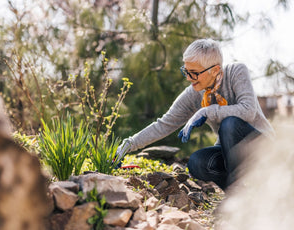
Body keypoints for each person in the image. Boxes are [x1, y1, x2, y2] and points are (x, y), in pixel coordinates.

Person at [115, 38, 274, 191]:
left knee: (229, 123)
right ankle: (240, 198)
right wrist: (128, 144)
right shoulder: (193, 94)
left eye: (194, 73)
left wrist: (207, 111)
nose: (189, 79)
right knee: (197, 162)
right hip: (231, 156)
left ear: (215, 70)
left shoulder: (236, 71)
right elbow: (164, 124)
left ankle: (240, 195)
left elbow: (248, 110)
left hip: (262, 149)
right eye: (186, 71)